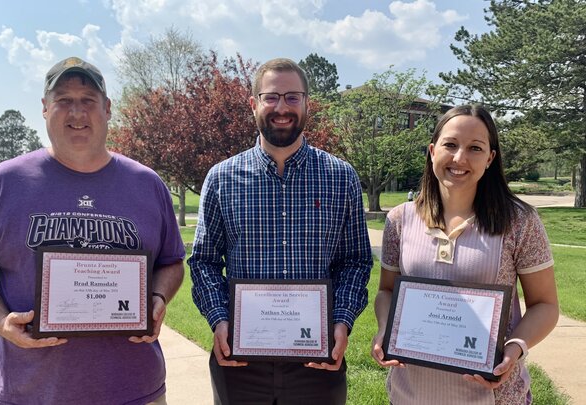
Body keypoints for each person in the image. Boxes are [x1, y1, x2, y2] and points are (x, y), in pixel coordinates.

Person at [0, 57, 185, 405]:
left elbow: (172, 261)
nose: (77, 113)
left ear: (108, 108)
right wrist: (0, 322)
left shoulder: (147, 184)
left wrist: (158, 298)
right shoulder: (2, 184)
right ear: (45, 108)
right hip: (31, 392)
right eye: (63, 101)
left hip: (135, 390)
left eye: (88, 100)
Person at [188, 58, 373, 404]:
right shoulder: (221, 179)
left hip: (316, 359)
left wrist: (342, 322)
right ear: (254, 103)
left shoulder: (341, 177)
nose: (282, 108)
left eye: (292, 97)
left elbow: (355, 261)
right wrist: (219, 320)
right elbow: (204, 261)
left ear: (306, 103)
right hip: (240, 360)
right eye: (271, 97)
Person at [371, 104, 559, 404]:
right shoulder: (399, 220)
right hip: (411, 393)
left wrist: (514, 348)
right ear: (432, 151)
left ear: (490, 158)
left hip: (494, 396)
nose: (459, 158)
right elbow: (386, 291)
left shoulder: (520, 222)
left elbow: (545, 305)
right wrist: (384, 329)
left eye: (475, 148)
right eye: (450, 145)